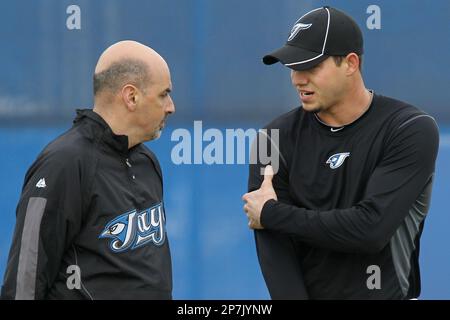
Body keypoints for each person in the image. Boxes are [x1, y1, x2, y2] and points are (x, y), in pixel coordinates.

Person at [242, 6, 439, 299]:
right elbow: (276, 253)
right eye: (293, 67)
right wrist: (272, 219)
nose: (298, 79)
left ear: (350, 63)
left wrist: (272, 213)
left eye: (310, 66)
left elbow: (371, 229)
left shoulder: (410, 128)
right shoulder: (270, 139)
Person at [1, 40, 175, 299]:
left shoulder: (147, 161)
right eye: (164, 94)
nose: (171, 106)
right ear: (131, 96)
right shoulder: (63, 163)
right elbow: (25, 279)